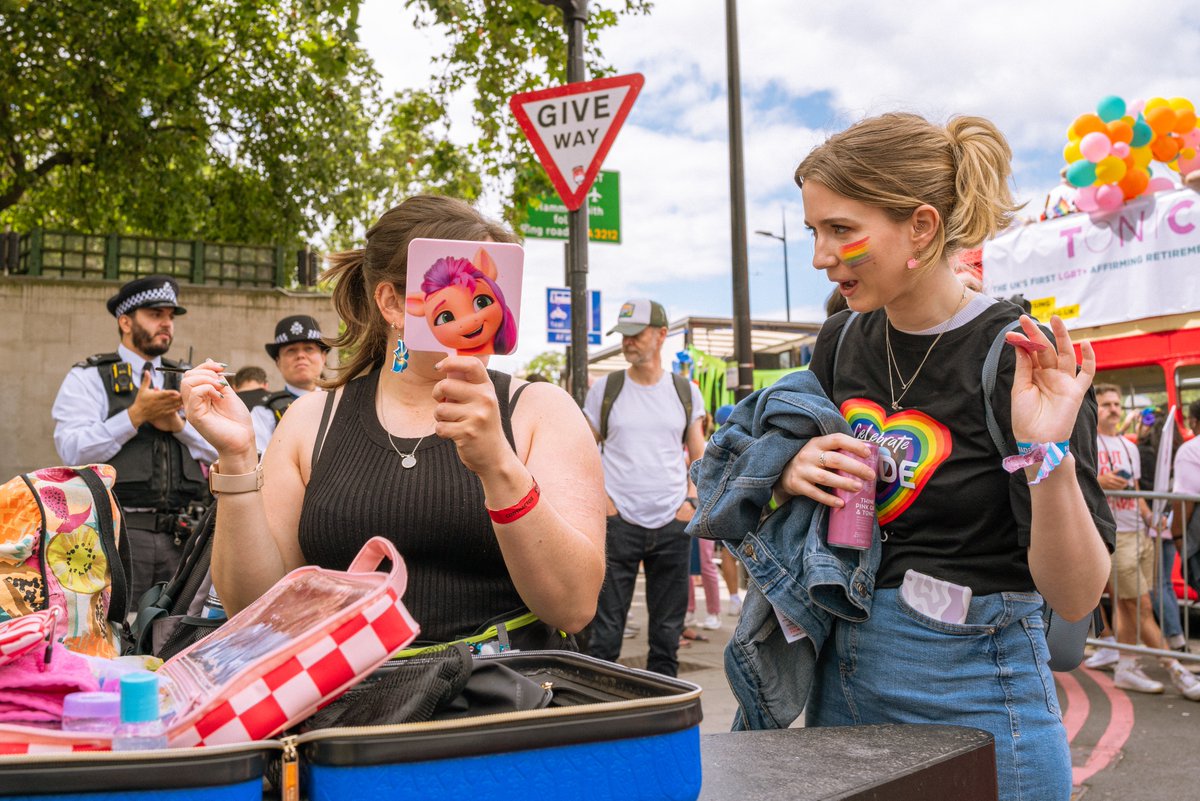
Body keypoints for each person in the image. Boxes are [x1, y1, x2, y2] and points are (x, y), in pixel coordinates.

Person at [781, 113, 1114, 801]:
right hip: (840, 683)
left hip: (978, 695)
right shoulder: (839, 342)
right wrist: (792, 468)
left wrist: (1046, 451)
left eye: (841, 229)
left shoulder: (1019, 356)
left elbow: (1077, 593)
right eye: (815, 230)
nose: (821, 254)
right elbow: (790, 486)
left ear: (923, 227)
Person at [179, 195, 604, 648]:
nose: (476, 317)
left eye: (486, 296)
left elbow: (573, 607)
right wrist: (238, 457)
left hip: (502, 702)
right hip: (349, 707)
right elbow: (254, 608)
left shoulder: (542, 411)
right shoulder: (310, 421)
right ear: (392, 303)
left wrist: (499, 465)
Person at [52, 275, 216, 605]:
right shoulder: (89, 377)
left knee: (177, 631)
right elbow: (71, 448)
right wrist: (133, 416)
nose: (166, 323)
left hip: (186, 535)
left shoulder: (189, 377)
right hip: (118, 533)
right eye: (156, 314)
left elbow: (223, 444)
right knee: (117, 630)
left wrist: (178, 426)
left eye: (170, 316)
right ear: (125, 321)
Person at [583, 299, 706, 677]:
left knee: (667, 638)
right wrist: (603, 502)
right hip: (617, 524)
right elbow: (582, 452)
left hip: (672, 522)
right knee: (604, 637)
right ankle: (600, 717)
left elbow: (701, 457)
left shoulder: (685, 392)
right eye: (624, 336)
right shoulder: (606, 389)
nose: (628, 342)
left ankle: (662, 720)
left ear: (662, 335)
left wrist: (690, 501)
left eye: (636, 334)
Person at [1088, 385, 1198, 699]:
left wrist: (1152, 518)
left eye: (1116, 404)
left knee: (1127, 605)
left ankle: (1126, 666)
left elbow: (1136, 495)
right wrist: (1099, 480)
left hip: (1140, 534)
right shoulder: (1085, 443)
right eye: (1106, 404)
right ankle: (1176, 669)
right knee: (1141, 605)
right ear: (1095, 408)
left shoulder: (1130, 446)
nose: (1113, 409)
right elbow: (1072, 484)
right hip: (1113, 536)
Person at [251, 315, 330, 454]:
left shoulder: (342, 402)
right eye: (291, 350)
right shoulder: (264, 413)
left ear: (323, 357)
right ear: (278, 362)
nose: (300, 355)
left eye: (309, 348)